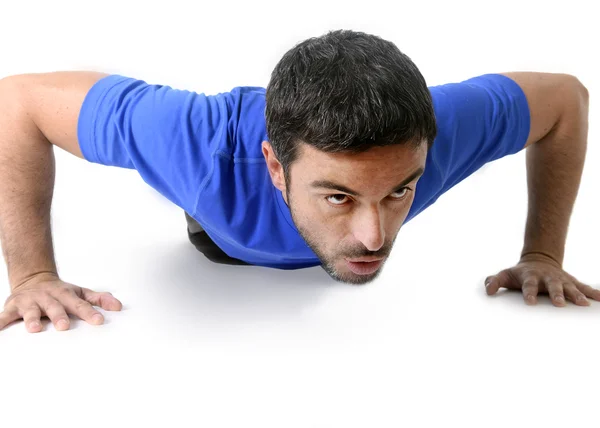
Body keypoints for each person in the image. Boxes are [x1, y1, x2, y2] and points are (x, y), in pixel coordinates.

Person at [0, 29, 595, 334]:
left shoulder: (441, 131)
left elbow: (566, 99)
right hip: (221, 234)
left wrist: (542, 252)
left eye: (399, 190)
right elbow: (17, 102)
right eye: (339, 195)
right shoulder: (194, 145)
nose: (373, 237)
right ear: (275, 167)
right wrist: (32, 275)